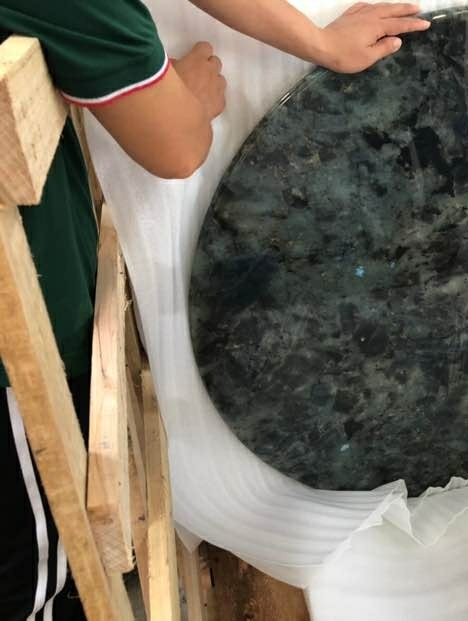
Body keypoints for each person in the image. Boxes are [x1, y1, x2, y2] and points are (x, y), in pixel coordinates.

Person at [0, 1, 430, 619]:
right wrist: (190, 101)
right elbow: (176, 147)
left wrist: (318, 42)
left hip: (38, 310)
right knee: (35, 580)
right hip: (19, 355)